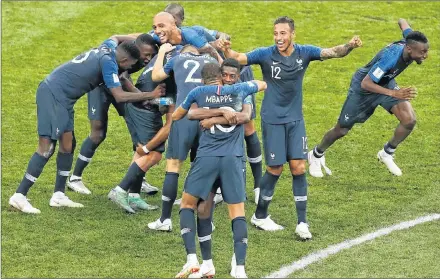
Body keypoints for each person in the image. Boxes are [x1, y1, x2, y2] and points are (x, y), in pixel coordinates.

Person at [221, 16, 362, 239]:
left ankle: (302, 223)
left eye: (283, 33)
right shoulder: (265, 54)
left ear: (292, 34)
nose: (278, 38)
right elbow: (239, 58)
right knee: (275, 169)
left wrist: (350, 46)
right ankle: (260, 216)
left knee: (299, 167)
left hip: (296, 120)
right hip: (273, 120)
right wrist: (227, 51)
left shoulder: (304, 53)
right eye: (276, 33)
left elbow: (332, 52)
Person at [9, 38, 159, 214]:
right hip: (53, 95)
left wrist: (141, 37)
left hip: (64, 99)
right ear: (125, 61)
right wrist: (151, 94)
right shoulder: (109, 63)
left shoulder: (108, 48)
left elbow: (117, 37)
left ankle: (58, 195)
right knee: (46, 147)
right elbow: (119, 96)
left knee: (68, 144)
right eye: (129, 66)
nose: (126, 70)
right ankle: (19, 195)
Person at [172, 63, 267, 278]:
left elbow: (181, 115)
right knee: (233, 211)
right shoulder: (242, 89)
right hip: (233, 159)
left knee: (189, 204)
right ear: (221, 76)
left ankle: (192, 260)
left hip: (206, 158)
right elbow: (262, 86)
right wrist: (227, 108)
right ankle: (229, 267)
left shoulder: (199, 92)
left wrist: (212, 115)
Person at [308, 19, 427, 177]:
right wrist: (394, 94)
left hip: (385, 83)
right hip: (363, 88)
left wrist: (403, 23)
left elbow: (402, 22)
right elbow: (366, 83)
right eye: (422, 52)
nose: (425, 55)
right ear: (409, 49)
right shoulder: (391, 58)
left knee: (409, 120)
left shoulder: (410, 41)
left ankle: (387, 153)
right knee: (342, 129)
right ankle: (316, 155)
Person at [68, 33, 163, 195]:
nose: (148, 59)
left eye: (152, 55)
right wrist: (147, 96)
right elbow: (123, 76)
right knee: (98, 133)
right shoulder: (129, 49)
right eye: (146, 55)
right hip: (103, 88)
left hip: (120, 87)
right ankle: (75, 178)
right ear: (136, 48)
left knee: (137, 128)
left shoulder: (148, 47)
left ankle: (139, 178)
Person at [146, 44, 218, 230]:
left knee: (174, 165)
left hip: (184, 116)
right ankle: (207, 220)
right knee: (204, 166)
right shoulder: (210, 60)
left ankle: (165, 220)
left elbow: (156, 76)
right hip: (206, 116)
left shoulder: (177, 59)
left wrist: (162, 51)